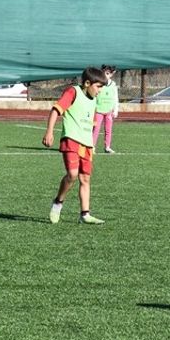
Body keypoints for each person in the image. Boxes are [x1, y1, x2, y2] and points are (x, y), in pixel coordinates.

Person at [42, 67, 107, 225]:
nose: (100, 91)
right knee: (72, 174)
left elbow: (91, 124)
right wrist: (49, 132)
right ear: (87, 83)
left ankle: (85, 214)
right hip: (71, 139)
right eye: (98, 87)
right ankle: (58, 202)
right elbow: (56, 110)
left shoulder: (93, 101)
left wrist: (92, 144)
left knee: (85, 179)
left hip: (86, 145)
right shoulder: (73, 92)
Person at [91, 65, 120, 154]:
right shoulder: (98, 84)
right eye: (104, 73)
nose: (106, 75)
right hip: (99, 110)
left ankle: (107, 147)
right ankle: (92, 147)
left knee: (108, 130)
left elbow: (115, 98)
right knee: (96, 129)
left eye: (108, 73)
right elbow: (94, 96)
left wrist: (115, 110)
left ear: (111, 74)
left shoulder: (113, 85)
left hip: (109, 111)